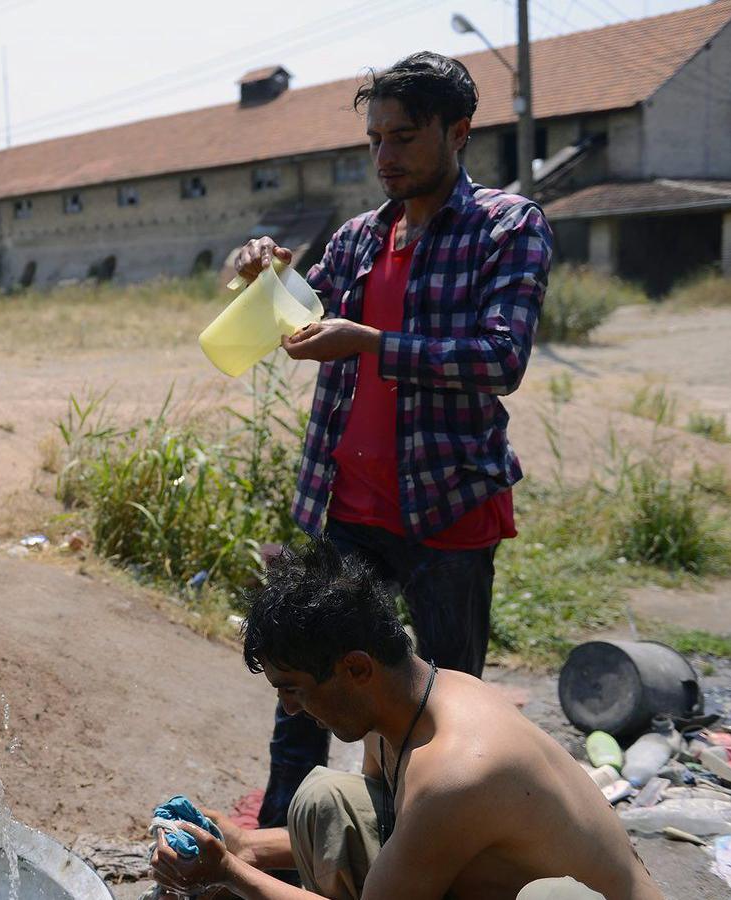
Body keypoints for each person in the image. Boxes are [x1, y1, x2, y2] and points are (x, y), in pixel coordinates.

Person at [227, 51, 554, 827]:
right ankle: (283, 838)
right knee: (305, 680)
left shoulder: (506, 228)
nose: (386, 156)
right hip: (348, 506)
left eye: (404, 136)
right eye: (376, 139)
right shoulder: (355, 239)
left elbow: (500, 359)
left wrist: (371, 343)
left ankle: (423, 841)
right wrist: (262, 274)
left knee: (441, 702)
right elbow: (304, 319)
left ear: (459, 131)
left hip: (447, 510)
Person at [149, 541, 662, 900]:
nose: (289, 710)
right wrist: (244, 848)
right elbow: (395, 838)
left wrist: (229, 873)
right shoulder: (397, 708)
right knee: (325, 800)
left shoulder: (458, 772)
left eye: (294, 690)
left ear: (355, 668)